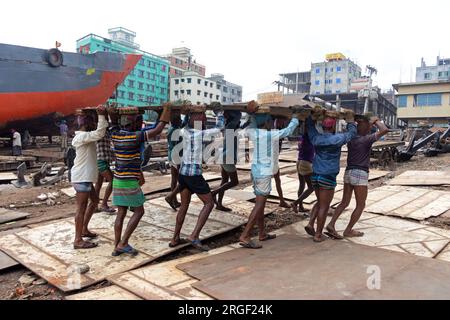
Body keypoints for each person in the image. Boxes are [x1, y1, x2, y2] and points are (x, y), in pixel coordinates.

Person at [110, 104, 171, 257]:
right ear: (133, 124)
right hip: (130, 180)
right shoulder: (135, 137)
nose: (141, 124)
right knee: (139, 211)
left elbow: (114, 122)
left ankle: (117, 244)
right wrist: (166, 110)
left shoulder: (115, 134)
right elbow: (157, 130)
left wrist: (112, 114)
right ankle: (123, 243)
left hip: (117, 180)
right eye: (138, 121)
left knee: (121, 213)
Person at [239, 111, 299, 249]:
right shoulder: (268, 135)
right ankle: (245, 235)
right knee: (259, 205)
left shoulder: (253, 132)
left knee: (261, 204)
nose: (272, 123)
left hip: (255, 171)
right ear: (266, 122)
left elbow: (253, 121)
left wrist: (252, 113)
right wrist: (295, 118)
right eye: (270, 121)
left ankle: (262, 233)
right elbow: (287, 131)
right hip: (264, 173)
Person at [169, 107, 224, 251]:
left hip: (183, 174)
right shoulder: (198, 134)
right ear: (195, 117)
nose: (204, 117)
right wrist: (219, 113)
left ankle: (175, 238)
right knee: (209, 204)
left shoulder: (183, 131)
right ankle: (194, 236)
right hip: (193, 175)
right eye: (202, 115)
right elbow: (220, 127)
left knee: (184, 205)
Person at [325, 116, 389, 239]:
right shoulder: (366, 139)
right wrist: (375, 121)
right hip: (360, 173)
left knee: (344, 202)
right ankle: (348, 230)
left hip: (349, 172)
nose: (371, 127)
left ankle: (331, 224)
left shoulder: (352, 138)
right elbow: (384, 129)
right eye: (369, 126)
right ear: (365, 128)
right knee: (360, 205)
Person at [304, 112, 357, 243]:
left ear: (322, 126)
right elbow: (351, 134)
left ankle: (311, 224)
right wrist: (350, 122)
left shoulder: (316, 138)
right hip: (328, 176)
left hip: (315, 175)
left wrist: (311, 117)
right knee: (324, 206)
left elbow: (310, 127)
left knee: (319, 201)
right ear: (333, 127)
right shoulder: (337, 139)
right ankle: (318, 234)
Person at [71, 106, 108, 249]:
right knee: (81, 208)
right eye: (92, 123)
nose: (94, 126)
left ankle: (84, 229)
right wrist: (102, 116)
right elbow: (100, 133)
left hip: (84, 176)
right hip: (82, 177)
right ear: (87, 125)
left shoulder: (83, 137)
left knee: (94, 201)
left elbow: (99, 133)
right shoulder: (82, 137)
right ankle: (78, 240)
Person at [211, 110, 242, 212]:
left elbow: (240, 124)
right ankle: (213, 193)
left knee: (224, 181)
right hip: (227, 157)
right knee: (234, 181)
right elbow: (237, 116)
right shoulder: (230, 127)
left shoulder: (229, 127)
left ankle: (219, 204)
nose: (239, 123)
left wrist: (249, 122)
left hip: (224, 156)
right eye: (238, 121)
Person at [291, 125, 315, 213]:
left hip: (299, 161)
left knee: (302, 185)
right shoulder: (311, 139)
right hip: (306, 163)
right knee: (311, 187)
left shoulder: (302, 138)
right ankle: (295, 203)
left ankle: (300, 206)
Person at [94, 122, 116, 214]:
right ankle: (104, 204)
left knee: (98, 184)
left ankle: (94, 205)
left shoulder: (105, 133)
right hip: (101, 161)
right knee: (113, 181)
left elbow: (107, 148)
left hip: (101, 160)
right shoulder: (100, 133)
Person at [165, 109, 183, 210]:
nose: (181, 121)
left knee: (174, 179)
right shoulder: (176, 131)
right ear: (177, 121)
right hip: (176, 156)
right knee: (182, 179)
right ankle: (171, 198)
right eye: (180, 119)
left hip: (170, 155)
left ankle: (174, 200)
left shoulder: (171, 128)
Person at [272, 116, 291, 208]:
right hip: (270, 160)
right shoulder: (275, 131)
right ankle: (281, 200)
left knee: (277, 180)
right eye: (282, 121)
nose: (283, 123)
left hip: (273, 159)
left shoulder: (277, 130)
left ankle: (281, 200)